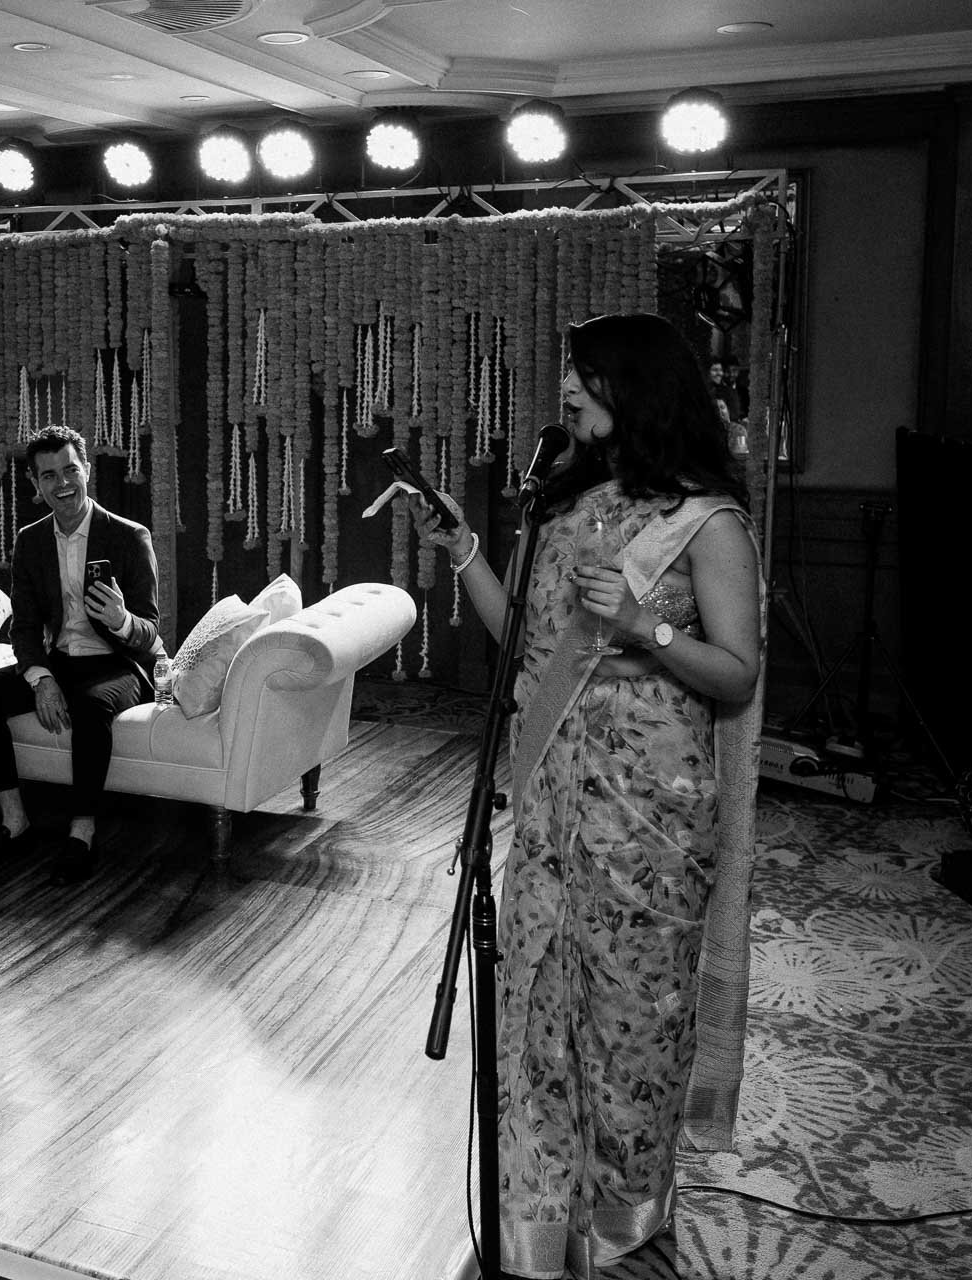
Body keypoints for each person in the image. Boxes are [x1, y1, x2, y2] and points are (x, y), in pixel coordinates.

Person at [411, 313, 764, 1279]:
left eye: (585, 375)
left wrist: (649, 629)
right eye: (568, 373)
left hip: (650, 819)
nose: (566, 389)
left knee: (628, 1027)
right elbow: (526, 636)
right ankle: (533, 1237)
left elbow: (736, 671)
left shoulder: (707, 520)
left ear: (635, 388)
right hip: (552, 810)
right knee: (533, 1019)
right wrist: (464, 550)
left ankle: (623, 1229)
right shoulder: (562, 509)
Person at [0, 425, 165, 886]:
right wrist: (41, 678)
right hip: (59, 662)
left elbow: (152, 631)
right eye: (49, 476)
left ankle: (83, 831)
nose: (62, 483)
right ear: (36, 485)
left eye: (70, 470)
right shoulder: (31, 541)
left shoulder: (130, 537)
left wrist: (121, 620)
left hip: (117, 663)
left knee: (91, 708)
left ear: (87, 470)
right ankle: (15, 819)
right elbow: (26, 627)